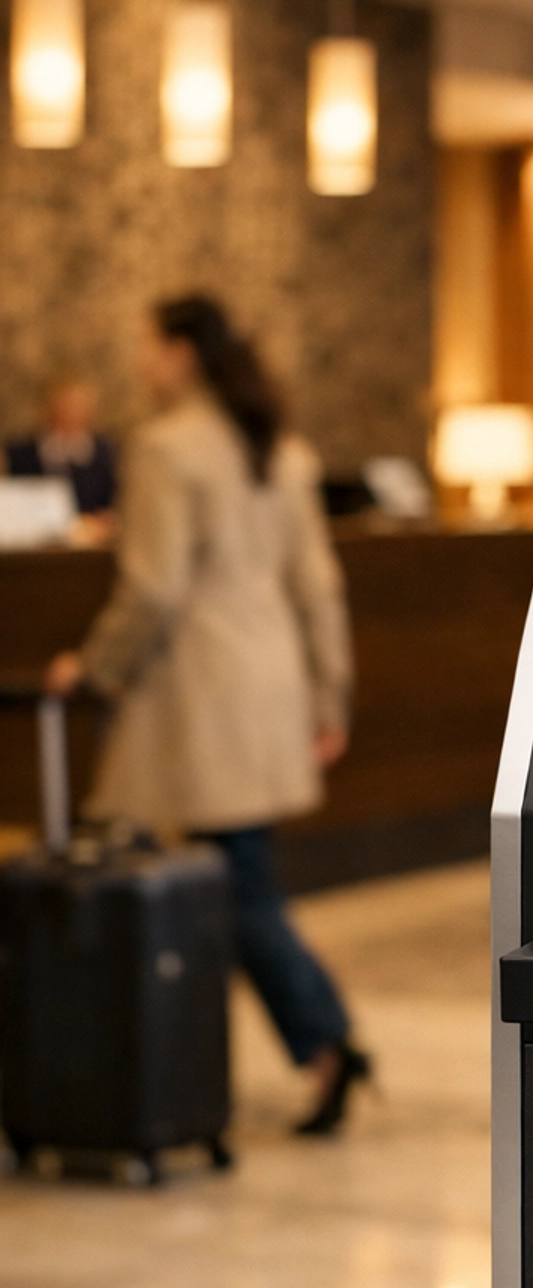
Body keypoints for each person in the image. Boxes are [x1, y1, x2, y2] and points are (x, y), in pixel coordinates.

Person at [45, 294, 371, 1134]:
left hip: (199, 697)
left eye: (149, 347)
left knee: (231, 889)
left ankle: (321, 1042)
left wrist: (95, 665)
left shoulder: (166, 447)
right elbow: (318, 586)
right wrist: (330, 693)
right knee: (235, 880)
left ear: (181, 352)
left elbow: (151, 586)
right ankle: (305, 1043)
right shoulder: (279, 448)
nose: (142, 364)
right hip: (267, 687)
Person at [8, 377, 118, 518]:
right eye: (64, 405)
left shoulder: (105, 452)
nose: (71, 412)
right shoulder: (22, 453)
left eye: (77, 405)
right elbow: (16, 502)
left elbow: (113, 502)